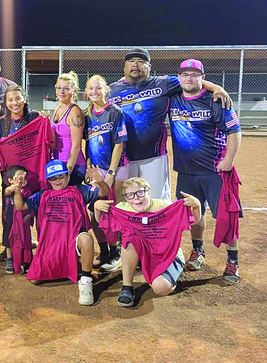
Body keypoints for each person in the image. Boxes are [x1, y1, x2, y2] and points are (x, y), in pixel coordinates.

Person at [108, 48, 232, 201]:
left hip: (154, 157)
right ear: (125, 67)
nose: (136, 65)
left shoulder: (163, 83)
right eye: (131, 62)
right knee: (127, 201)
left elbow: (190, 80)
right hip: (124, 158)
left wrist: (216, 88)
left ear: (149, 67)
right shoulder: (112, 90)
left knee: (156, 200)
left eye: (141, 62)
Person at [169, 59, 242, 284]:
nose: (189, 78)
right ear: (179, 77)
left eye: (194, 74)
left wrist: (229, 160)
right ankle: (198, 251)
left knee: (226, 216)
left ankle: (233, 261)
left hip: (215, 170)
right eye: (185, 74)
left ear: (202, 77)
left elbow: (234, 131)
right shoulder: (173, 98)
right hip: (186, 171)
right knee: (193, 215)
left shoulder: (216, 100)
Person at [9, 160, 110, 306]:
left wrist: (100, 182)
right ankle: (66, 265)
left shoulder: (79, 190)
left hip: (73, 238)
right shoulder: (43, 195)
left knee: (87, 239)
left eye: (61, 177)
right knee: (34, 279)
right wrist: (17, 190)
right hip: (52, 242)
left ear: (67, 177)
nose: (57, 181)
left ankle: (86, 281)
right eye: (53, 178)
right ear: (48, 180)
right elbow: (20, 205)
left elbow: (104, 192)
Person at [94, 177, 202, 307]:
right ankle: (127, 287)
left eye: (141, 192)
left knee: (160, 288)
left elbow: (193, 220)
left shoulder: (163, 206)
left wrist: (197, 206)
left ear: (149, 192)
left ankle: (167, 275)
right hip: (141, 253)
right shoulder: (123, 208)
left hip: (168, 255)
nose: (136, 198)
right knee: (130, 238)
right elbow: (104, 222)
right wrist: (97, 208)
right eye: (130, 195)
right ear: (126, 198)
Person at [0, 86, 42, 273]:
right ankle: (11, 254)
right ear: (6, 103)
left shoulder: (35, 117)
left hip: (33, 176)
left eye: (18, 99)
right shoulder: (1, 123)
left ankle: (37, 253)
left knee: (33, 214)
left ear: (24, 99)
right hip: (10, 179)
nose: (14, 103)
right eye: (10, 100)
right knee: (9, 216)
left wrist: (45, 121)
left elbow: (44, 137)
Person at [83, 75, 127, 271]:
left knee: (113, 211)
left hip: (115, 169)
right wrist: (88, 168)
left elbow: (119, 144)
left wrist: (111, 171)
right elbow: (88, 146)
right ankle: (105, 250)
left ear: (106, 89)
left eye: (98, 88)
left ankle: (116, 251)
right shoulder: (87, 114)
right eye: (90, 88)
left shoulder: (115, 112)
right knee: (94, 210)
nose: (94, 92)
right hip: (96, 169)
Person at [51, 72, 86, 185]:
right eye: (59, 88)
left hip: (73, 166)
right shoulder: (58, 108)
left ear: (74, 91)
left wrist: (68, 171)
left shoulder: (75, 112)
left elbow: (76, 146)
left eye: (66, 89)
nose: (61, 92)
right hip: (58, 164)